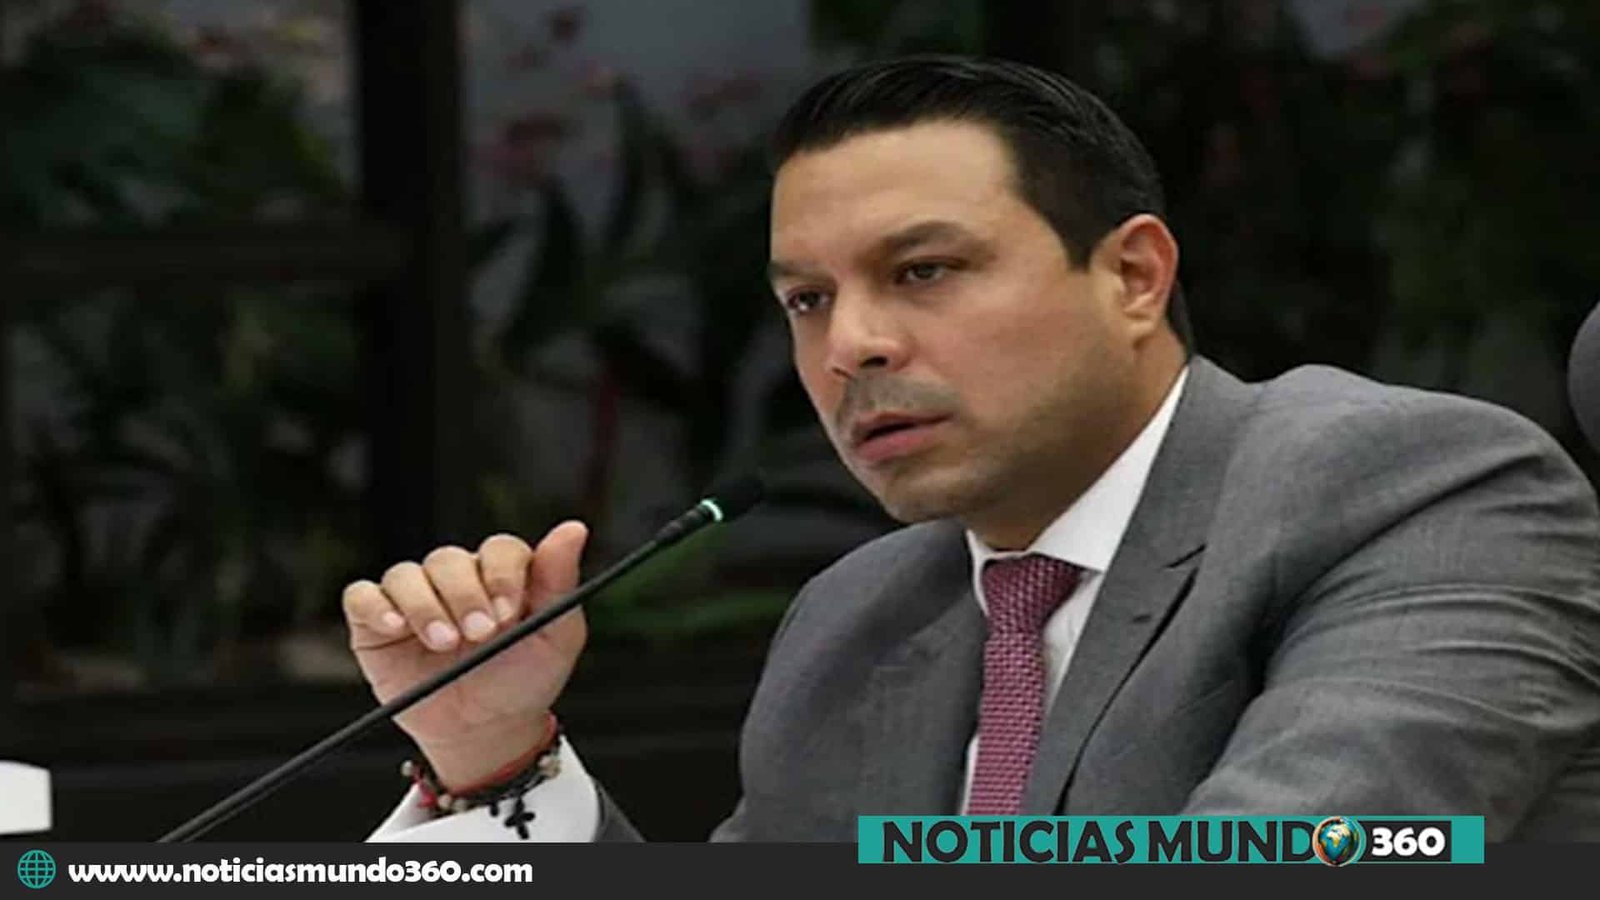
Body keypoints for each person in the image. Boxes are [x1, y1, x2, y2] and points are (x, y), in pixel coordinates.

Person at [349, 56, 1600, 842]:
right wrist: (494, 760)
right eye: (806, 300)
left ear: (1133, 275)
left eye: (923, 270)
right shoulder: (858, 618)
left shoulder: (1406, 489)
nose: (851, 345)